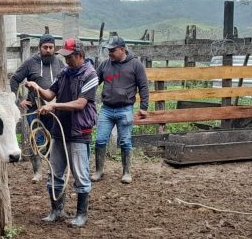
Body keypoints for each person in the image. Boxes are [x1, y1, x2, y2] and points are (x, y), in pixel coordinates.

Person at [26, 38, 98, 227]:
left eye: (70, 57)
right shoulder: (65, 73)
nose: (66, 60)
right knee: (55, 172)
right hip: (60, 130)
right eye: (65, 57)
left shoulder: (91, 75)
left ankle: (82, 214)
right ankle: (56, 210)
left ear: (80, 55)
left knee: (80, 174)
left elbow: (81, 104)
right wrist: (38, 88)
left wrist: (54, 106)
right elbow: (50, 94)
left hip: (78, 131)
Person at [90, 35, 149, 184]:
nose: (109, 53)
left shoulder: (136, 65)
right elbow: (94, 82)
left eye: (112, 50)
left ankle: (127, 172)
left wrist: (144, 107)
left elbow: (143, 86)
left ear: (122, 49)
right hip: (107, 109)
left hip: (125, 109)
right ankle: (99, 171)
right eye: (108, 50)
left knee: (125, 141)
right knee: (100, 140)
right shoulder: (105, 65)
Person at [10, 34, 64, 183]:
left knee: (54, 139)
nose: (48, 50)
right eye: (45, 47)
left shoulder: (60, 64)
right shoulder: (30, 63)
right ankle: (37, 173)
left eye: (50, 47)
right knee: (36, 139)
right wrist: (19, 100)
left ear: (54, 48)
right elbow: (14, 79)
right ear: (39, 48)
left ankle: (53, 171)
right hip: (35, 108)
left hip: (54, 109)